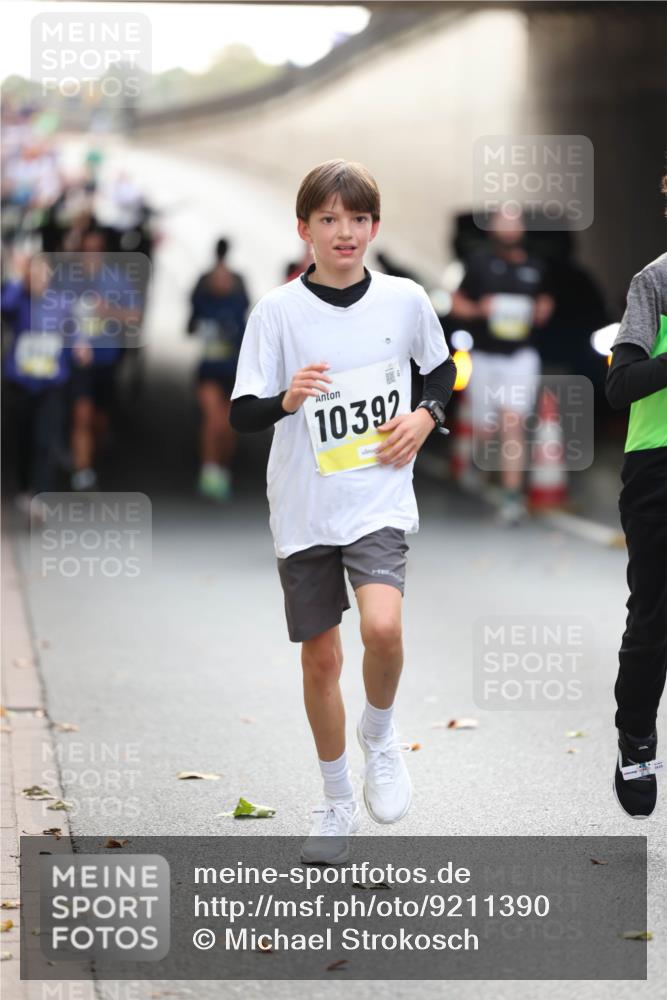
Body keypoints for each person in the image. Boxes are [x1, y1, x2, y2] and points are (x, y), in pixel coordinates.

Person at [229, 160, 456, 863]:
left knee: (383, 628)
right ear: (305, 230)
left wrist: (427, 416)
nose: (344, 232)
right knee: (321, 660)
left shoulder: (403, 299)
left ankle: (380, 737)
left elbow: (439, 367)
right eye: (328, 219)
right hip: (303, 507)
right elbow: (242, 413)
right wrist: (286, 401)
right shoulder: (276, 313)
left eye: (356, 219)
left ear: (373, 227)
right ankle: (334, 804)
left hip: (377, 496)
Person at [606, 229, 667, 819]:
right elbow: (621, 385)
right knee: (655, 619)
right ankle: (637, 739)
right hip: (659, 470)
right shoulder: (656, 281)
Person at [450, 208, 554, 524]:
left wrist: (541, 311)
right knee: (487, 427)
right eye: (502, 223)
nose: (509, 229)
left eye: (514, 223)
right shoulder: (478, 263)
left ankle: (511, 497)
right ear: (493, 229)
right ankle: (478, 466)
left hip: (520, 356)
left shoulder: (536, 267)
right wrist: (479, 310)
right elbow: (456, 303)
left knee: (513, 422)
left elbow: (546, 303)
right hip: (484, 355)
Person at [1, 254, 89, 511]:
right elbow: (4, 307)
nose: (40, 279)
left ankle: (40, 495)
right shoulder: (18, 301)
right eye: (34, 274)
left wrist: (81, 346)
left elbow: (74, 330)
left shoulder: (61, 303)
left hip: (50, 385)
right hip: (20, 384)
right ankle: (24, 487)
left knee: (44, 440)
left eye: (44, 273)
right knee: (22, 440)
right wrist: (20, 284)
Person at [68, 228, 142, 490]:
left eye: (96, 249)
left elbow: (134, 316)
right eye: (87, 249)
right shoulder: (68, 279)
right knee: (82, 414)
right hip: (78, 361)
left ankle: (92, 460)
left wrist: (107, 310)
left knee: (99, 420)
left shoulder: (117, 280)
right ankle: (82, 471)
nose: (92, 254)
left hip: (106, 359)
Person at [187, 238, 249, 501]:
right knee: (213, 420)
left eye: (226, 281)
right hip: (210, 371)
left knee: (228, 425)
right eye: (217, 280)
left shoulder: (238, 304)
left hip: (234, 372)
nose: (221, 282)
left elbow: (247, 329)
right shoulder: (203, 300)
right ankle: (209, 470)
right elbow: (190, 325)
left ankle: (222, 470)